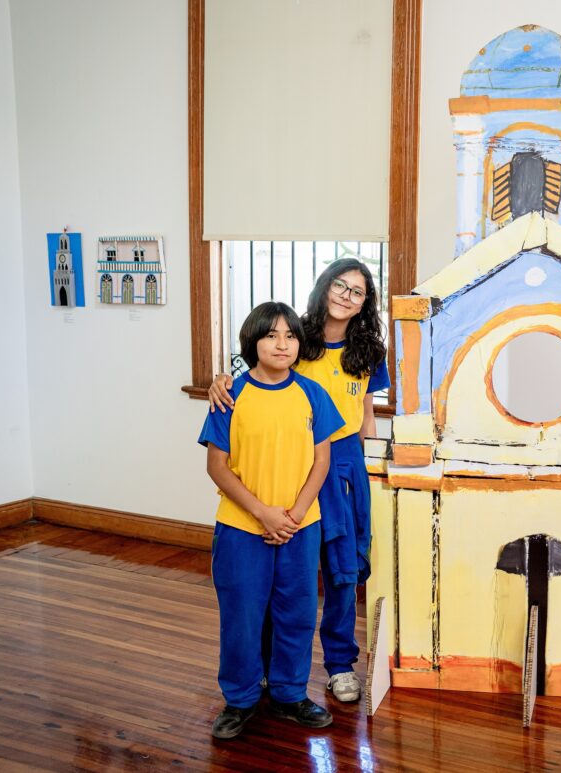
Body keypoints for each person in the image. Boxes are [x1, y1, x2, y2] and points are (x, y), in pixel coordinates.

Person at [208, 258, 389, 704]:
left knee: (343, 570)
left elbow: (366, 414)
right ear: (325, 287)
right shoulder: (297, 337)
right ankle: (268, 670)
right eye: (340, 286)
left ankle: (340, 665)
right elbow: (256, 362)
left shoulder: (370, 350)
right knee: (279, 565)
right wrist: (220, 379)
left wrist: (365, 465)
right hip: (294, 463)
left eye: (358, 291)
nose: (347, 296)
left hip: (341, 461)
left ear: (366, 302)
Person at [199, 301, 344, 739]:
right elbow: (217, 467)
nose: (282, 344)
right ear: (253, 342)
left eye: (291, 336)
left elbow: (322, 461)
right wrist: (263, 513)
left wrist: (296, 514)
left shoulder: (313, 394)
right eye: (271, 335)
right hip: (244, 527)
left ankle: (289, 693)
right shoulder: (231, 395)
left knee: (297, 612)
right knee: (242, 615)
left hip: (300, 527)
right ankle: (240, 699)